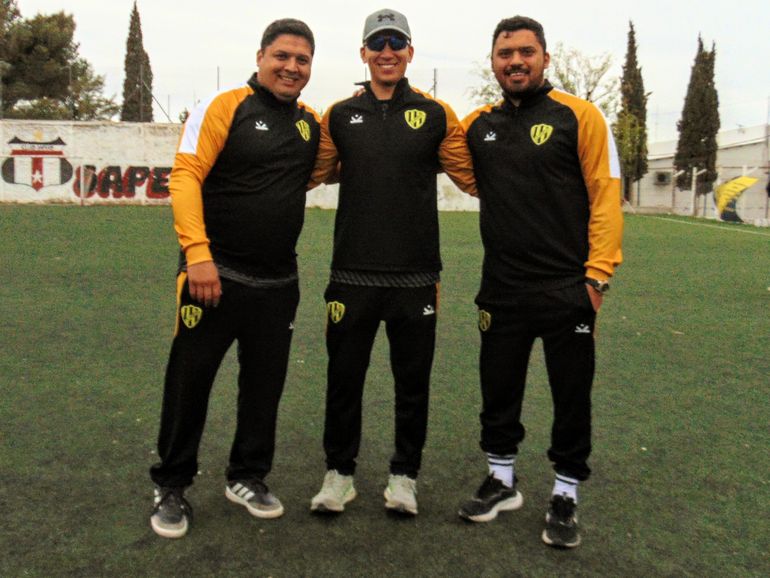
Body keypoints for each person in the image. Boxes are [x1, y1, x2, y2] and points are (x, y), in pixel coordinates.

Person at [148, 18, 320, 538]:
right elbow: (186, 174)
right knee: (190, 382)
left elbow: (330, 167)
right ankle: (171, 484)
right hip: (213, 275)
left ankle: (246, 476)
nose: (291, 67)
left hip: (278, 283)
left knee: (264, 388)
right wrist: (197, 254)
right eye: (282, 56)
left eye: (302, 60)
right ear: (261, 56)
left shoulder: (312, 124)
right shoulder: (225, 106)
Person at [457, 15, 623, 549]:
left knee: (570, 395)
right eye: (505, 54)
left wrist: (597, 277)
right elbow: (446, 156)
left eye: (526, 52)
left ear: (545, 58)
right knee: (498, 390)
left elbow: (606, 195)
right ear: (493, 62)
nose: (515, 62)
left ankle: (566, 492)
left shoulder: (580, 116)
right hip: (501, 288)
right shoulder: (477, 125)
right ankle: (501, 480)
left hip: (566, 287)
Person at [307, 8, 476, 516]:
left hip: (416, 277)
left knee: (412, 383)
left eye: (396, 43)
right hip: (351, 274)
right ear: (363, 52)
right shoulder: (339, 114)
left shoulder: (437, 114)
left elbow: (474, 177)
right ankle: (339, 474)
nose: (387, 52)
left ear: (410, 52)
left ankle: (404, 477)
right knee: (344, 380)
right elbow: (313, 171)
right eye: (378, 43)